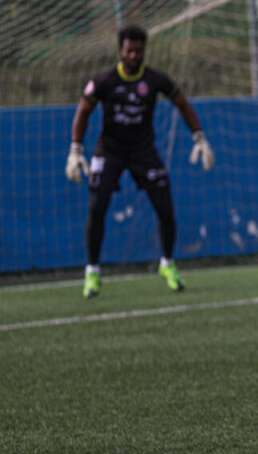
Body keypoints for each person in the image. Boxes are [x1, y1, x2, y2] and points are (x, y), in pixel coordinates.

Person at [65, 25, 214, 298]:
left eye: (138, 50)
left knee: (166, 209)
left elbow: (182, 103)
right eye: (129, 50)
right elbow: (83, 110)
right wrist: (76, 149)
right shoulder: (104, 80)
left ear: (144, 51)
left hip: (144, 152)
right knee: (97, 209)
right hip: (109, 151)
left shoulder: (156, 80)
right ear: (120, 51)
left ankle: (167, 264)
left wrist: (199, 137)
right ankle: (92, 272)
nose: (134, 55)